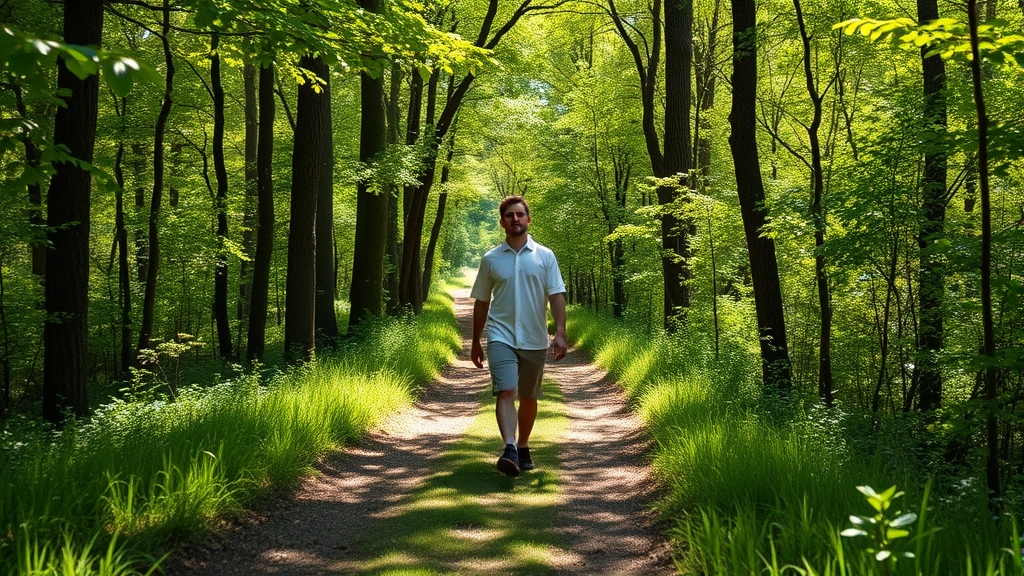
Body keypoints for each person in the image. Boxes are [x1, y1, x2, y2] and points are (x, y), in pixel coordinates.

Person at [470, 195, 567, 476]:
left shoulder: (545, 256)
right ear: (502, 222)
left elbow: (556, 295)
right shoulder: (490, 259)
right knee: (506, 390)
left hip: (536, 337)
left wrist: (559, 333)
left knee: (528, 397)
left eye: (519, 215)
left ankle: (523, 445)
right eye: (509, 215)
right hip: (501, 335)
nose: (515, 219)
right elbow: (481, 301)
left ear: (528, 219)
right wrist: (476, 340)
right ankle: (509, 447)